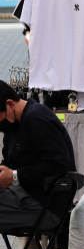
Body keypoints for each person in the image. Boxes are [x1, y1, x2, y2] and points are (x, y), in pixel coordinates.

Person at [0, 81, 76, 232]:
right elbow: (9, 163)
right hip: (25, 195)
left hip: (47, 205)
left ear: (10, 104)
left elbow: (59, 163)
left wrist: (15, 175)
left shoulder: (37, 117)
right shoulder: (14, 126)